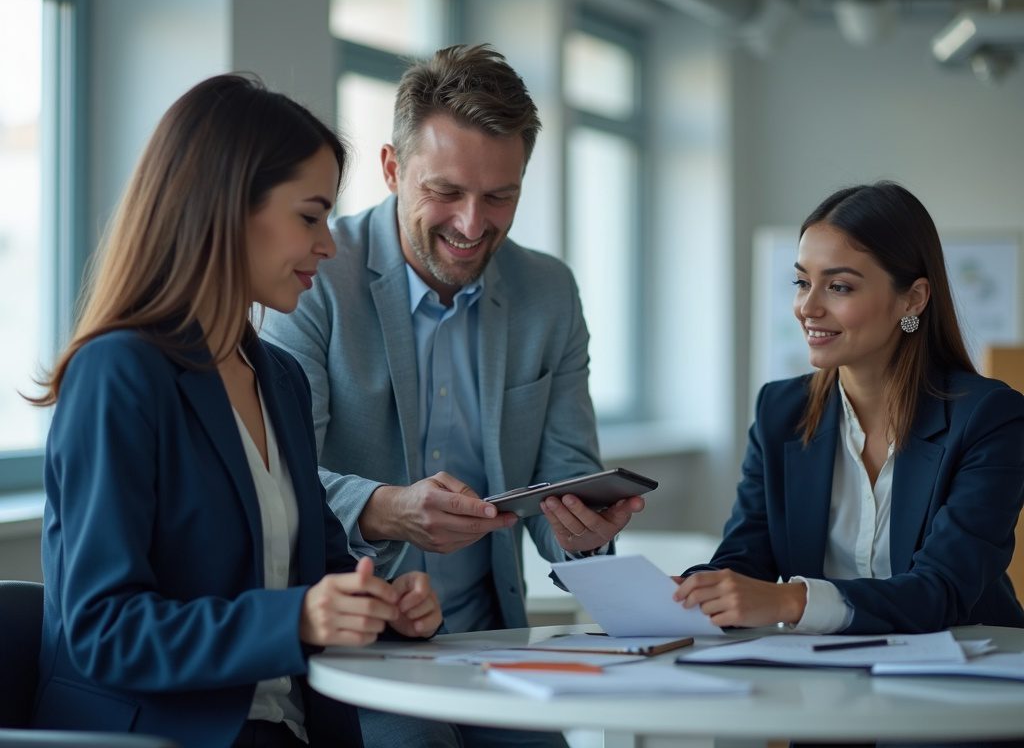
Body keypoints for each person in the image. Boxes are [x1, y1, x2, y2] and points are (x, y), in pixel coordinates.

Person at [28, 74, 442, 748]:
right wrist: (296, 620)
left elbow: (319, 574)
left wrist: (386, 607)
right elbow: (102, 630)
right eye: (309, 217)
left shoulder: (278, 377)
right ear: (225, 208)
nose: (328, 244)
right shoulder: (118, 374)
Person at [260, 44, 644, 747]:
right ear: (391, 169)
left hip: (495, 645)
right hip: (360, 647)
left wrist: (582, 538)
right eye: (446, 192)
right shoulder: (314, 278)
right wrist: (387, 509)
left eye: (500, 197)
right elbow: (280, 481)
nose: (472, 225)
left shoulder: (549, 293)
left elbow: (565, 475)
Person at [675, 181, 1024, 634]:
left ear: (913, 298)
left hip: (969, 663)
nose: (807, 307)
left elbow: (942, 591)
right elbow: (744, 560)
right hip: (825, 668)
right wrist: (687, 592)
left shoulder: (990, 417)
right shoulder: (780, 411)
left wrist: (792, 600)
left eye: (838, 286)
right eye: (802, 282)